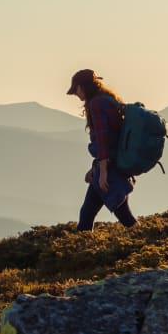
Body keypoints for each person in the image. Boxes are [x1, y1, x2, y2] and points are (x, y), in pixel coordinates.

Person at [67, 68, 138, 231]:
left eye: (76, 89)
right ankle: (81, 250)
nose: (75, 95)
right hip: (113, 163)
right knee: (87, 212)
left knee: (122, 214)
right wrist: (95, 168)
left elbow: (103, 139)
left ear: (83, 87)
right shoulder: (107, 99)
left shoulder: (96, 104)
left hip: (109, 168)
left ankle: (147, 240)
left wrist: (103, 172)